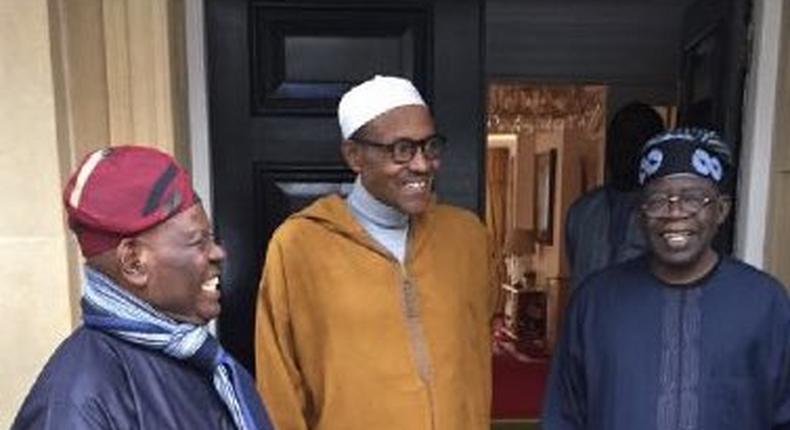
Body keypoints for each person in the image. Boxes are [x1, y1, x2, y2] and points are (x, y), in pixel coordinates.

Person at [254, 75, 498, 429]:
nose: (421, 164)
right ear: (354, 156)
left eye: (429, 146)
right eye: (401, 149)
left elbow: (476, 354)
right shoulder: (298, 247)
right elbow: (278, 389)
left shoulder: (467, 237)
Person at [543, 128, 790, 429]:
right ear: (640, 214)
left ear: (721, 211)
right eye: (658, 200)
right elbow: (564, 416)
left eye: (693, 199)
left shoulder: (764, 302)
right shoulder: (595, 302)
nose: (675, 213)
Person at [12, 146, 273, 430]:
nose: (217, 254)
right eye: (198, 241)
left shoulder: (195, 358)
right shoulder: (77, 403)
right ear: (134, 262)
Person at [565, 102, 665, 288]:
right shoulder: (581, 212)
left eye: (636, 140)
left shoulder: (669, 215)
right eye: (618, 139)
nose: (623, 149)